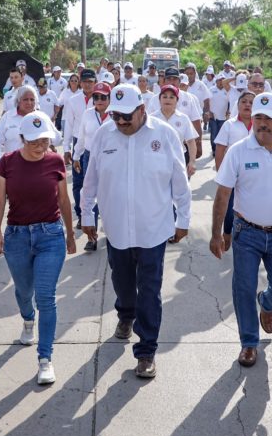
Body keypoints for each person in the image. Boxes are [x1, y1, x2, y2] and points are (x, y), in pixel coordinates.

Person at [80, 84, 192, 379]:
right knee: (123, 283)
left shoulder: (165, 135)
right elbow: (90, 180)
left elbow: (180, 181)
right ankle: (125, 314)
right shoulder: (105, 134)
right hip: (116, 228)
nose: (120, 122)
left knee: (150, 291)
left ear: (142, 110)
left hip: (153, 229)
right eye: (116, 116)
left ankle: (146, 351)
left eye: (126, 116)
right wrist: (86, 214)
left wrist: (183, 219)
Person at [210, 92, 272, 367]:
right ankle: (249, 343)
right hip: (247, 232)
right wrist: (216, 233)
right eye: (258, 118)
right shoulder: (238, 151)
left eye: (268, 118)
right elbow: (222, 195)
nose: (262, 123)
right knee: (243, 287)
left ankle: (267, 304)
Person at [0, 111, 78, 384]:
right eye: (34, 142)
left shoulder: (55, 162)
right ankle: (28, 320)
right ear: (21, 139)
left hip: (50, 236)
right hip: (16, 236)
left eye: (44, 140)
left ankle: (45, 358)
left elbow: (64, 200)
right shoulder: (7, 163)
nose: (40, 146)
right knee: (23, 290)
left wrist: (70, 232)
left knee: (46, 296)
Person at [71, 82, 113, 251]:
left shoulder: (116, 115)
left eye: (103, 97)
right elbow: (81, 138)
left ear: (110, 98)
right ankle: (92, 237)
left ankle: (112, 233)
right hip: (89, 157)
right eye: (96, 97)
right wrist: (76, 156)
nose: (100, 100)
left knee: (110, 195)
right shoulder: (88, 115)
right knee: (88, 195)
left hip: (111, 157)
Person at [213, 90, 255, 250]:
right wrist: (221, 173)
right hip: (232, 175)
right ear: (237, 105)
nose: (247, 105)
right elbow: (220, 150)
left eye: (251, 102)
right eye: (244, 101)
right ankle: (227, 234)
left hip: (253, 177)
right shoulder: (229, 125)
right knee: (229, 208)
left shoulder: (260, 125)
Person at [62, 69, 96, 221]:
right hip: (78, 144)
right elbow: (68, 125)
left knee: (96, 182)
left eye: (91, 82)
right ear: (80, 83)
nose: (88, 85)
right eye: (85, 82)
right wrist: (66, 148)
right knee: (78, 181)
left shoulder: (101, 99)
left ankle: (93, 213)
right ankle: (81, 213)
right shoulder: (73, 100)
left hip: (95, 143)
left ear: (95, 83)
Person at [0, 85, 54, 164]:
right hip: (13, 164)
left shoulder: (41, 117)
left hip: (38, 164)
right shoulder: (8, 117)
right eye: (25, 99)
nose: (29, 102)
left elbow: (56, 137)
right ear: (18, 100)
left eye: (32, 99)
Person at [149, 85, 197, 177]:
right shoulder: (151, 118)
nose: (168, 99)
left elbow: (190, 141)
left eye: (172, 97)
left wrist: (192, 162)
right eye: (164, 96)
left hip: (178, 160)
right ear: (159, 100)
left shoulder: (184, 119)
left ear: (177, 101)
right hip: (156, 160)